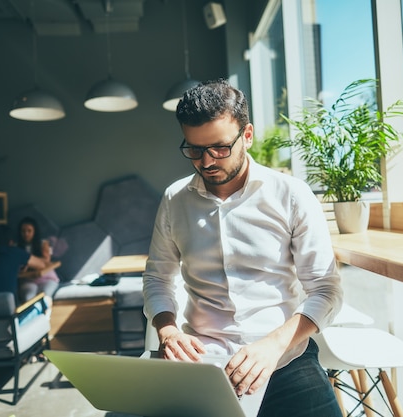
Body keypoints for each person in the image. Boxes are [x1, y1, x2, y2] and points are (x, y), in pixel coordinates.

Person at [142, 79, 344, 417]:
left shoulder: (291, 194)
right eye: (194, 149)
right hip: (203, 361)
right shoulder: (174, 200)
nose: (206, 162)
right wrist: (167, 330)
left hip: (285, 358)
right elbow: (157, 278)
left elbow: (326, 290)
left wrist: (273, 345)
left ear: (247, 136)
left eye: (220, 148)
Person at [16, 216, 60, 304]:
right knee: (28, 297)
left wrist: (29, 263)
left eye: (29, 231)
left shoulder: (43, 244)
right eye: (23, 231)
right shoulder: (17, 247)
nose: (26, 234)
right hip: (28, 279)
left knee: (45, 295)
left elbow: (46, 262)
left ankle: (44, 316)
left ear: (34, 231)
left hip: (46, 277)